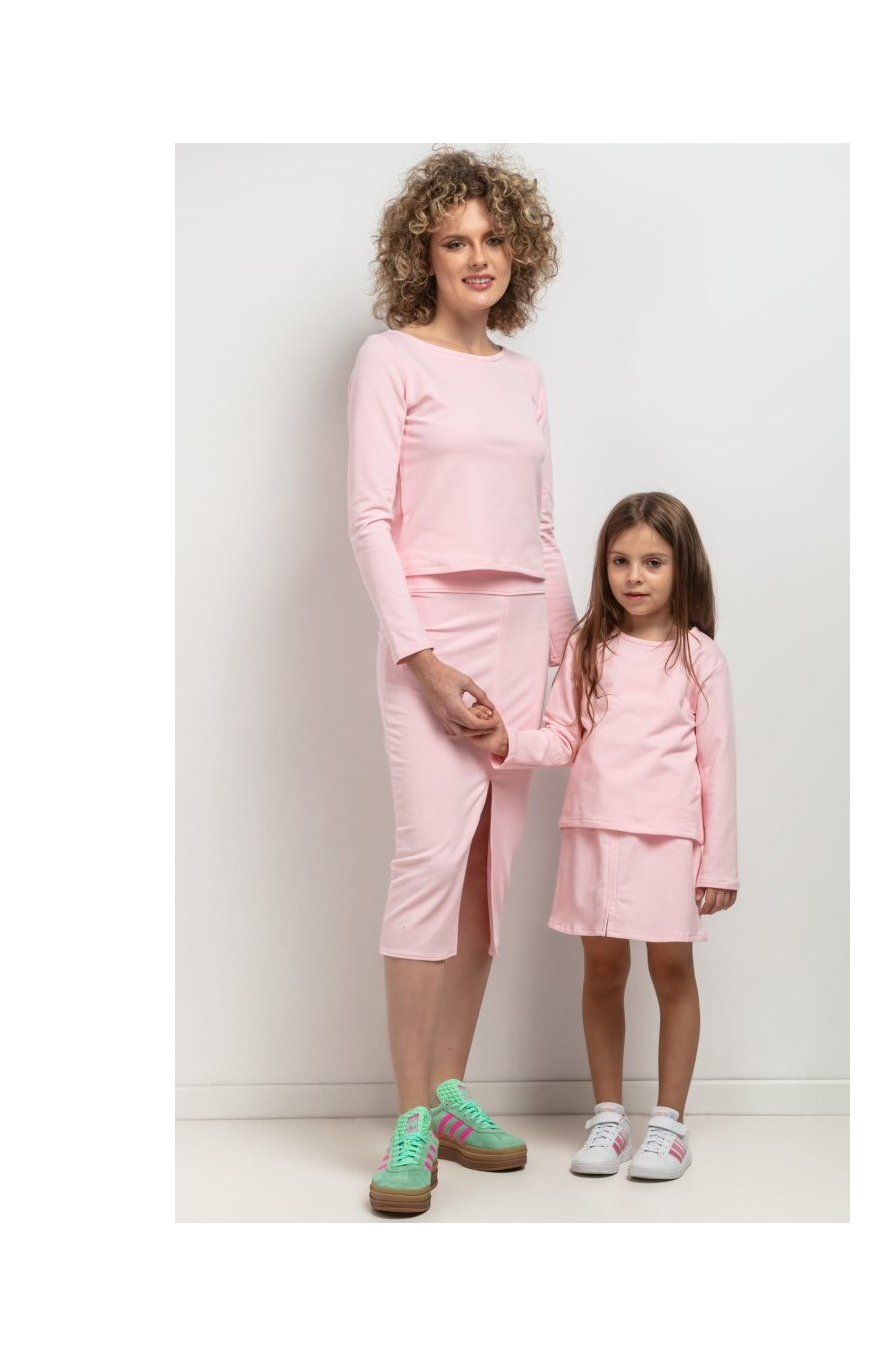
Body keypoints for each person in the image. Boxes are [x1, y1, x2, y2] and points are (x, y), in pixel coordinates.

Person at [347, 147, 577, 1214]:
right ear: (424, 256)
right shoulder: (389, 360)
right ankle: (407, 1118)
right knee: (428, 866)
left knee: (488, 881)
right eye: (455, 241)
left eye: (492, 238)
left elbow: (542, 532)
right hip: (433, 638)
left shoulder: (524, 377)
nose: (477, 257)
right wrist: (425, 662)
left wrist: (569, 663)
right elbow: (369, 521)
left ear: (516, 251)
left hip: (521, 633)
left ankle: (448, 1093)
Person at [465, 492, 738, 1182]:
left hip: (667, 840)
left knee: (672, 972)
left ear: (682, 567)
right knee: (603, 973)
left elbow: (717, 766)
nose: (634, 576)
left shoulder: (699, 658)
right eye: (620, 561)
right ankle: (609, 1116)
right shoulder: (589, 647)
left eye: (652, 562)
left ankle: (669, 1125)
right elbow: (563, 736)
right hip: (593, 834)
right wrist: (506, 740)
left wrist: (719, 863)